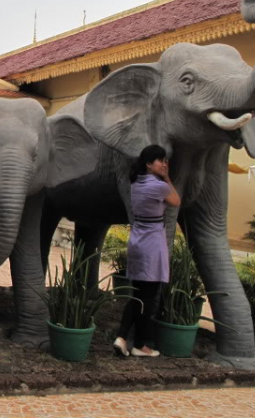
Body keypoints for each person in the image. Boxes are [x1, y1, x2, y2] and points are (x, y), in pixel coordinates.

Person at [113, 144, 180, 358]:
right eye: (160, 160)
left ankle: (130, 341)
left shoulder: (137, 183)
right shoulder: (158, 186)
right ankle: (132, 341)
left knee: (139, 294)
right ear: (149, 163)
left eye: (165, 160)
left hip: (137, 242)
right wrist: (167, 178)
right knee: (147, 298)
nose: (164, 163)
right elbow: (176, 201)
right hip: (152, 244)